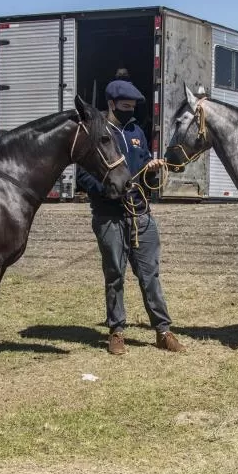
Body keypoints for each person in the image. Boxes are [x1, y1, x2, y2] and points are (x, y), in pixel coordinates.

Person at [76, 72, 186, 355]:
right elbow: (84, 177)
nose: (131, 111)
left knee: (150, 274)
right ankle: (117, 331)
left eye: (134, 107)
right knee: (115, 274)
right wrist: (108, 189)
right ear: (112, 104)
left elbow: (143, 159)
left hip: (140, 213)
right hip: (109, 215)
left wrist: (151, 165)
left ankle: (163, 330)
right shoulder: (97, 134)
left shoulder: (136, 131)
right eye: (126, 106)